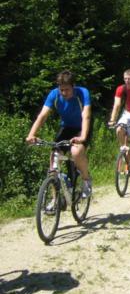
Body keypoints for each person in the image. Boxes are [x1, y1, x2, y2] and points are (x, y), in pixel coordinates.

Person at [26, 70, 93, 198]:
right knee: (54, 158)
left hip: (82, 127)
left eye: (67, 89)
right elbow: (42, 116)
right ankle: (55, 199)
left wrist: (83, 137)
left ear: (73, 86)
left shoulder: (82, 93)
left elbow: (86, 116)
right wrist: (31, 135)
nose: (64, 93)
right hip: (66, 127)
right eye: (61, 90)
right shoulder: (54, 94)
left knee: (76, 152)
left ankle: (86, 180)